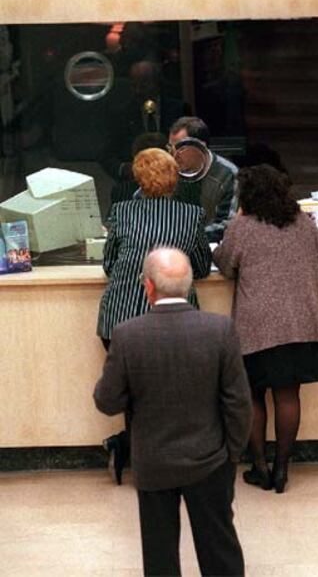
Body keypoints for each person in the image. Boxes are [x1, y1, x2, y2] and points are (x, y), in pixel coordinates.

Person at [94, 247, 252, 577]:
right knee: (219, 550)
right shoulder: (219, 330)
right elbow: (238, 403)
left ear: (148, 286)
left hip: (154, 462)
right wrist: (231, 455)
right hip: (210, 460)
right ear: (189, 286)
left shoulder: (127, 335)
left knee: (160, 555)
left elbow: (106, 401)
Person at [213, 164, 318, 494]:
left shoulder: (243, 227)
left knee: (252, 395)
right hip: (300, 325)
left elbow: (224, 265)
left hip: (256, 328)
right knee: (288, 395)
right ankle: (282, 469)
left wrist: (237, 220)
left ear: (246, 196)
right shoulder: (304, 225)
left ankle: (260, 467)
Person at [97, 148, 212, 484]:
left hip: (121, 315)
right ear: (175, 177)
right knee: (172, 390)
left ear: (137, 178)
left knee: (136, 392)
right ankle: (156, 457)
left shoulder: (121, 211)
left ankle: (130, 449)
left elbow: (108, 265)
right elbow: (202, 268)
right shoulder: (190, 215)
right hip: (175, 320)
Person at [169, 116, 238, 242]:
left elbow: (230, 224)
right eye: (172, 148)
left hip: (213, 247)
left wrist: (187, 238)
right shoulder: (171, 170)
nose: (174, 155)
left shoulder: (228, 174)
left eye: (181, 148)